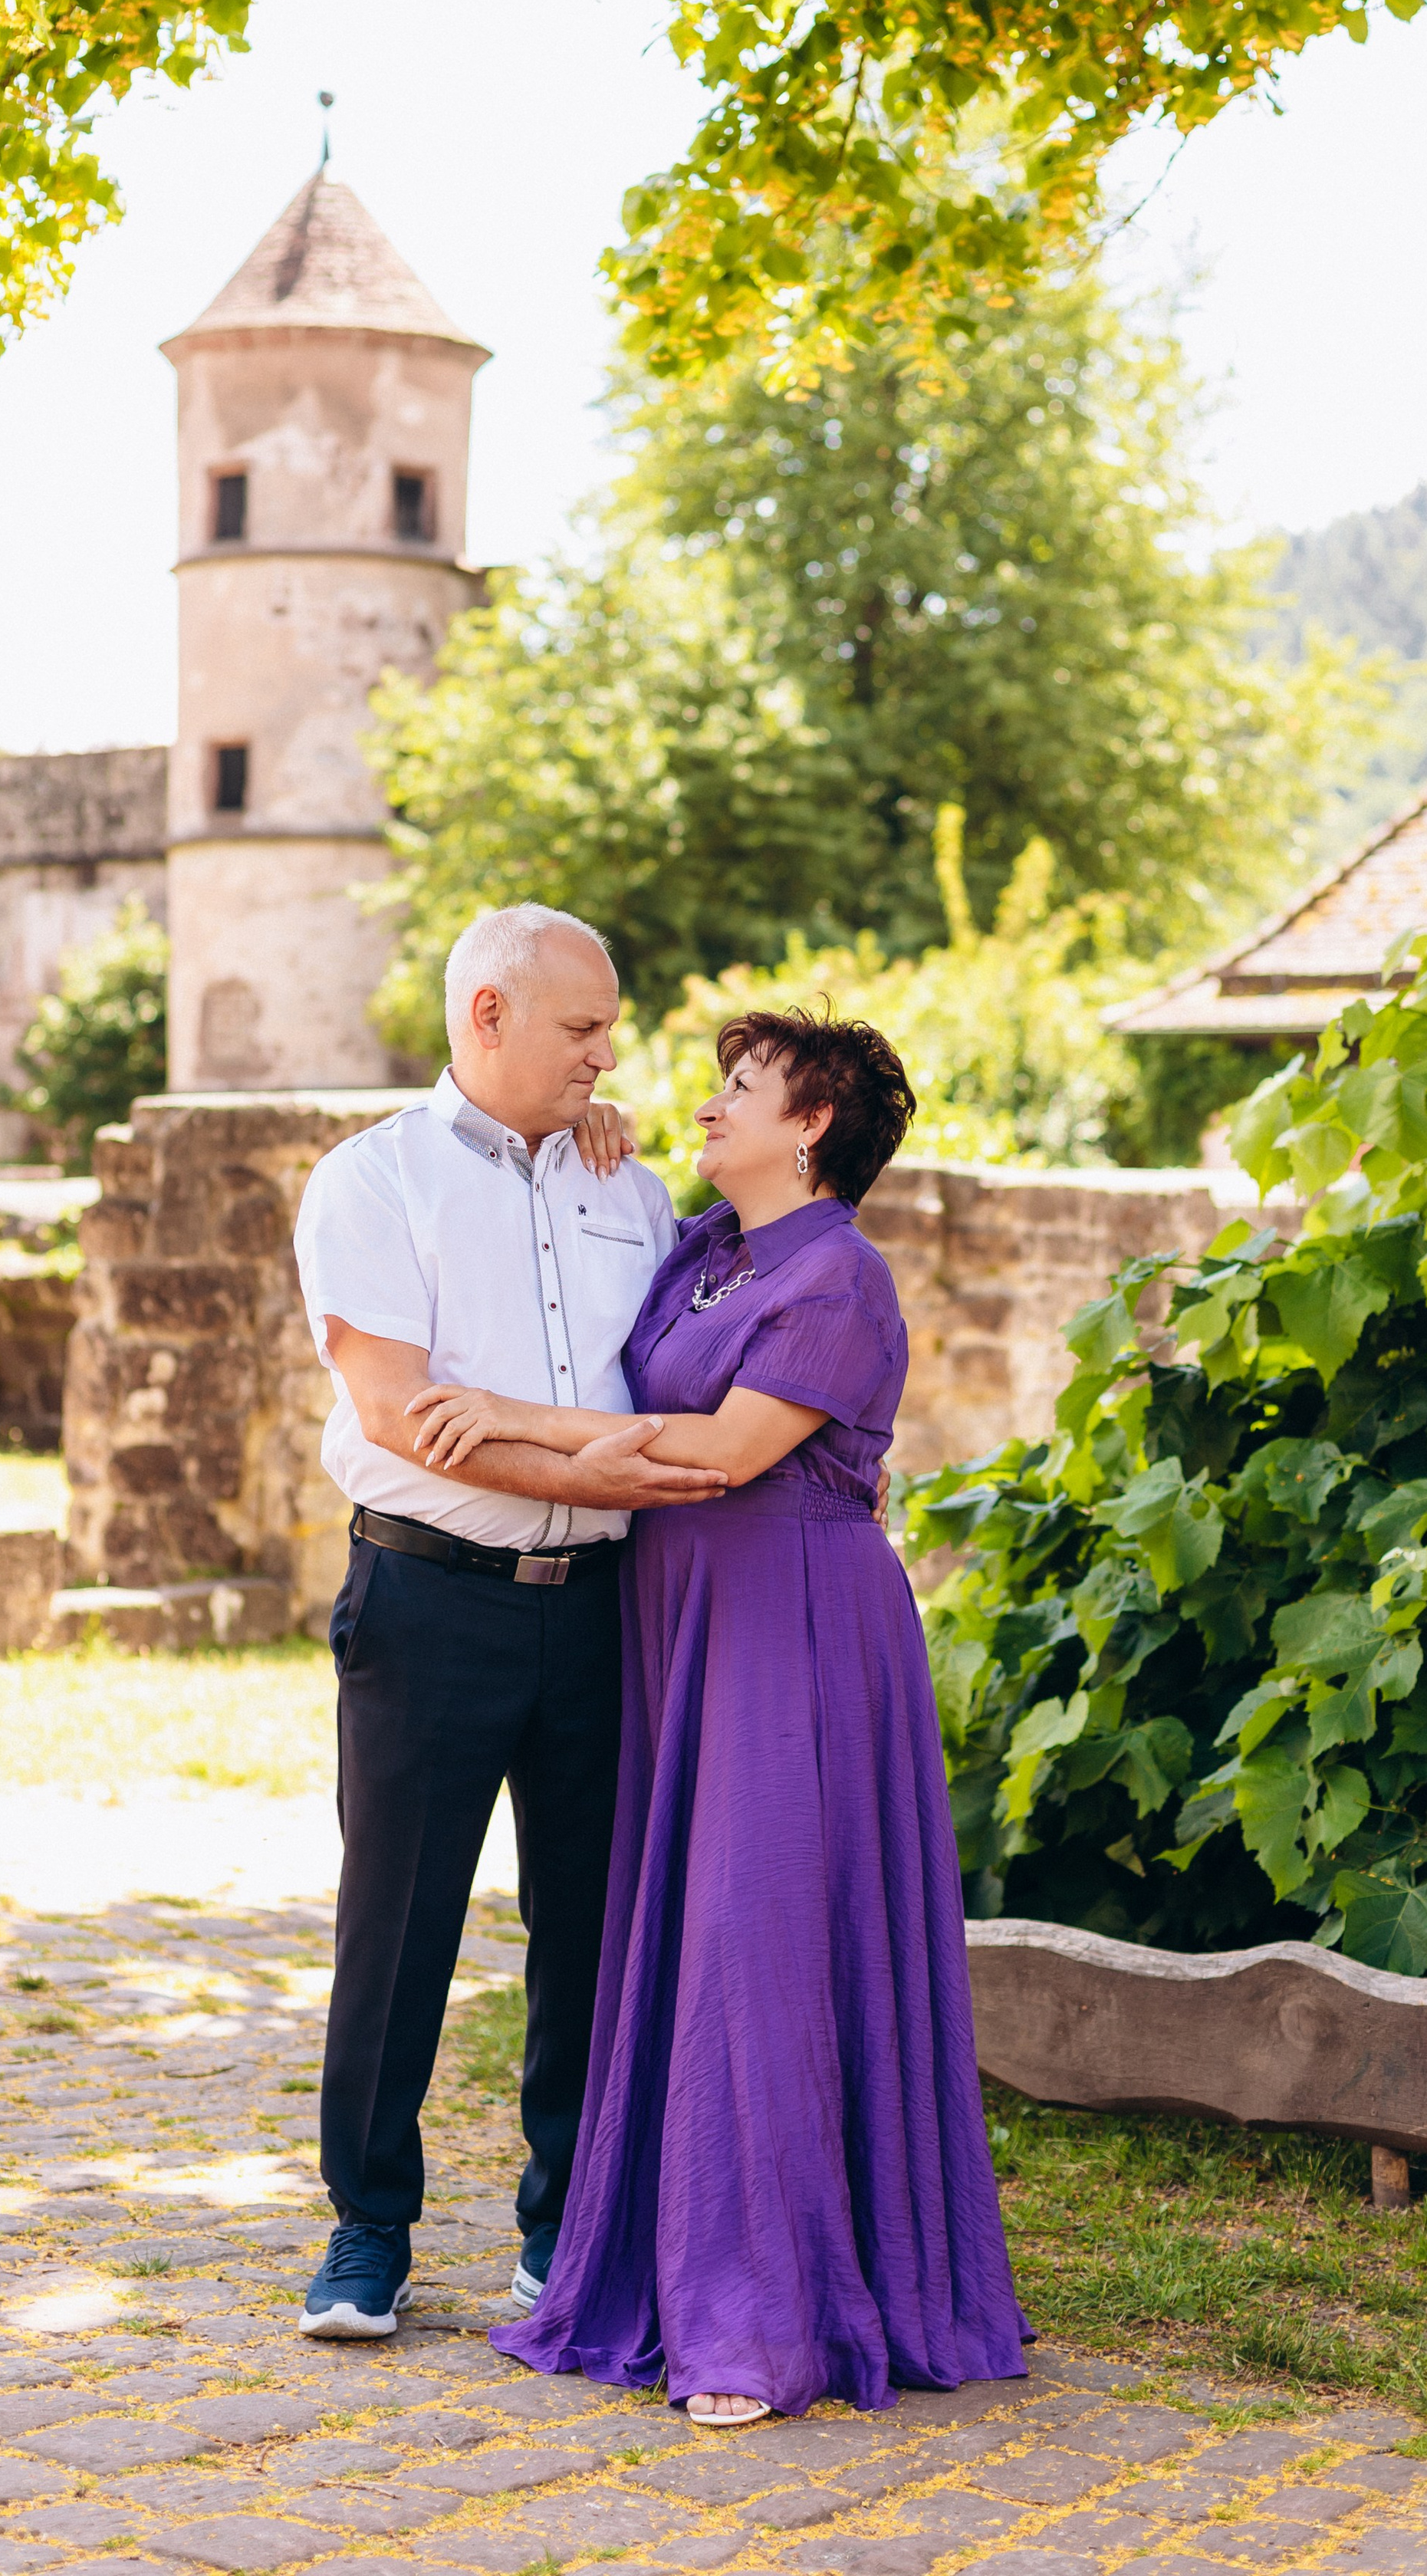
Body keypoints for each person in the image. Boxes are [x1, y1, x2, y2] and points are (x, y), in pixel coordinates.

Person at [406, 1008, 1031, 2423]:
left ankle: (758, 2318)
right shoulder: (709, 1247)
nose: (710, 1100)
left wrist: (503, 1418)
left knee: (758, 1945)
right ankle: (681, 2262)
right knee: (690, 1940)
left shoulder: (842, 1277)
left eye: (740, 1088)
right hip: (682, 1626)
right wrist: (589, 1133)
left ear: (810, 1127)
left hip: (792, 1633)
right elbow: (642, 1372)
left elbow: (720, 1454)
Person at [290, 903, 727, 2342]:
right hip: (427, 1599)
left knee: (591, 1929)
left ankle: (568, 2226)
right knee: (398, 1923)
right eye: (584, 1028)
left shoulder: (632, 1187)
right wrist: (605, 1459)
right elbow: (400, 1415)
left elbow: (677, 1366)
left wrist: (605, 1471)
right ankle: (368, 2229)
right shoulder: (373, 1184)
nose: (610, 1054)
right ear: (489, 1014)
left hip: (605, 1609)